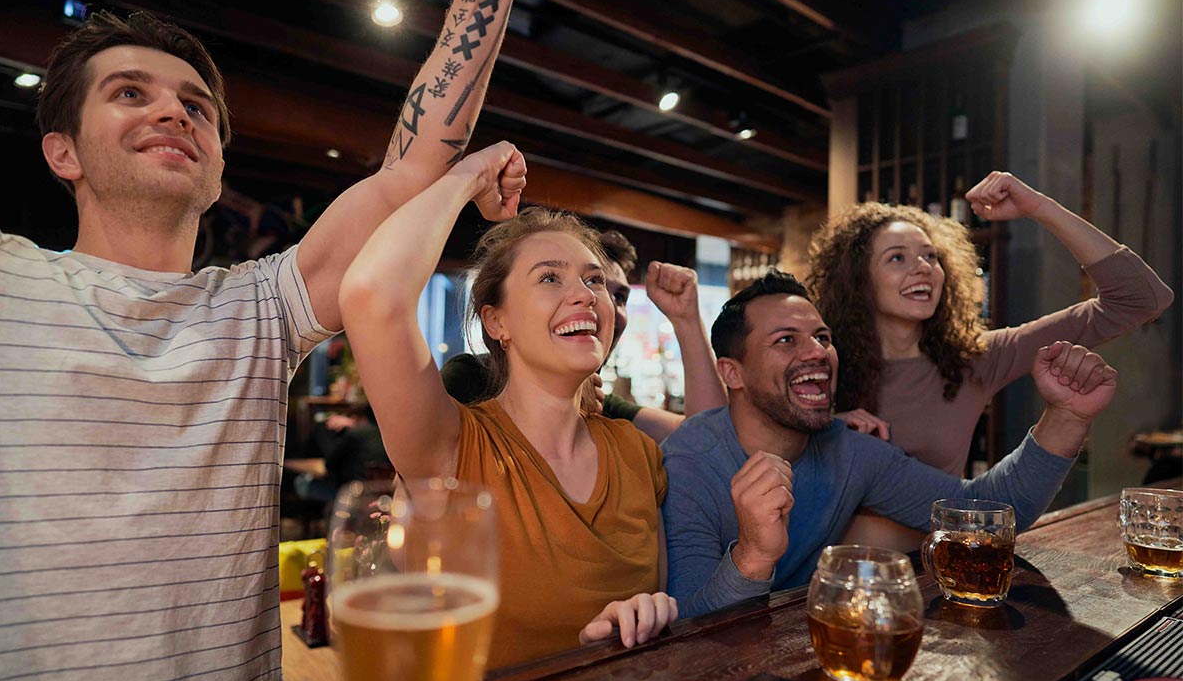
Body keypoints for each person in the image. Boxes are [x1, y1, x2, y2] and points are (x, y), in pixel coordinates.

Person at [0, 0, 524, 681]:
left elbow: (409, 170)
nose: (173, 108)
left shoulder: (260, 307)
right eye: (130, 93)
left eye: (196, 106)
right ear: (61, 152)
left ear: (216, 167)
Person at [340, 143, 677, 670]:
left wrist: (643, 619)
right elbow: (371, 292)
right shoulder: (453, 447)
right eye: (550, 277)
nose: (587, 295)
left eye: (594, 280)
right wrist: (470, 175)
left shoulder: (638, 453)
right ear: (497, 323)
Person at [662, 271, 1117, 619]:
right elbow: (690, 625)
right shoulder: (690, 461)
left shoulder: (849, 450)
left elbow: (986, 511)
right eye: (786, 340)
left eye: (823, 338)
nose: (818, 352)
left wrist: (1067, 417)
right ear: (732, 373)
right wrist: (753, 555)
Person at [806, 171, 1171, 476]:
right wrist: (832, 430)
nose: (923, 268)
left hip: (938, 557)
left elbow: (1141, 298)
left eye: (930, 256)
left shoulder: (976, 358)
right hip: (838, 560)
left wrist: (1038, 207)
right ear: (857, 280)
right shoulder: (821, 365)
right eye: (897, 257)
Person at [441, 229, 727, 442]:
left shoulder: (611, 420)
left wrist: (686, 320)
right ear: (496, 321)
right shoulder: (469, 378)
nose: (593, 300)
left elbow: (707, 441)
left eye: (618, 296)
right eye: (551, 279)